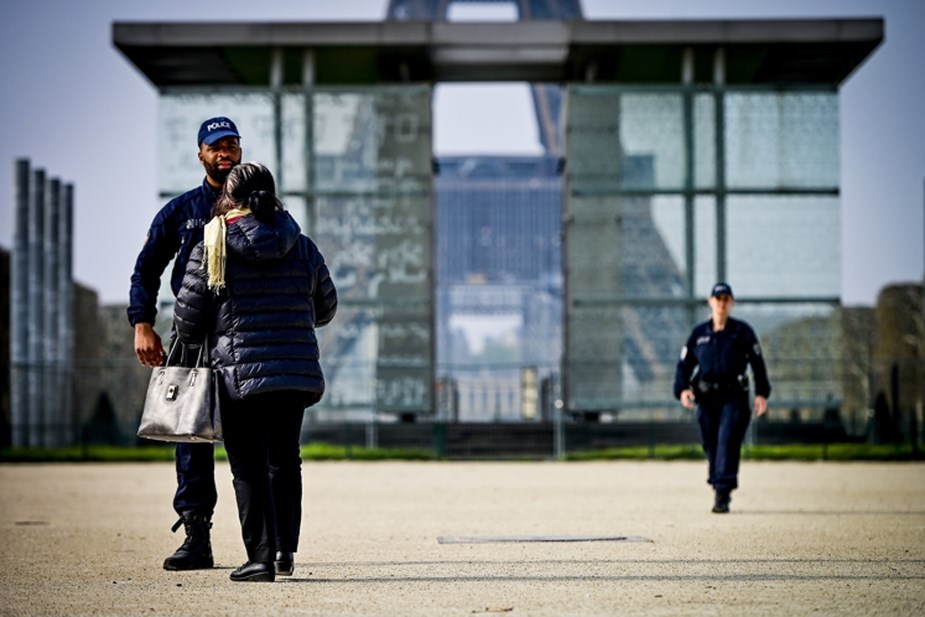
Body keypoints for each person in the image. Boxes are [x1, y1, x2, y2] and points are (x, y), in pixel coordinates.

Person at [173, 162, 337, 582]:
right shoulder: (302, 244)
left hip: (237, 375)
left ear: (229, 197)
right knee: (285, 460)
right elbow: (326, 307)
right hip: (294, 373)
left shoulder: (214, 245)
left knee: (247, 466)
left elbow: (188, 324)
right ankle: (284, 552)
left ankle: (260, 558)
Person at [128, 116, 243, 570]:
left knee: (252, 438)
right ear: (200, 153)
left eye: (232, 145)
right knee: (190, 437)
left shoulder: (263, 208)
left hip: (242, 335)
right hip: (192, 335)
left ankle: (269, 541)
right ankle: (197, 536)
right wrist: (142, 322)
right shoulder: (180, 211)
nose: (225, 153)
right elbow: (146, 269)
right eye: (216, 146)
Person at [673, 282, 771, 514]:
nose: (722, 303)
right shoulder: (699, 334)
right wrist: (683, 389)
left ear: (732, 303)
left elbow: (758, 364)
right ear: (710, 302)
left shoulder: (742, 332)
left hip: (734, 396)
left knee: (727, 440)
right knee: (711, 443)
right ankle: (718, 479)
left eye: (726, 299)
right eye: (718, 299)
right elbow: (684, 365)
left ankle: (722, 492)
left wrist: (761, 393)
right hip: (706, 398)